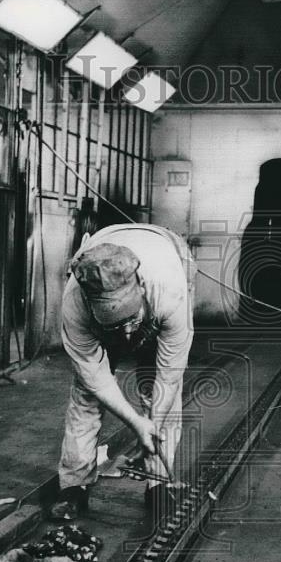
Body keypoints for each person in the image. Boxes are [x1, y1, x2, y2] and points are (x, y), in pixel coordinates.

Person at [50, 223, 194, 523]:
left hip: (169, 251)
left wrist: (150, 427)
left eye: (130, 319)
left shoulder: (170, 292)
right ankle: (73, 487)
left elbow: (168, 376)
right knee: (85, 395)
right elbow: (96, 379)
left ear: (140, 286)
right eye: (115, 325)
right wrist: (136, 424)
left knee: (158, 389)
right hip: (109, 247)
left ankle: (159, 485)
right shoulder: (75, 303)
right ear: (91, 305)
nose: (127, 333)